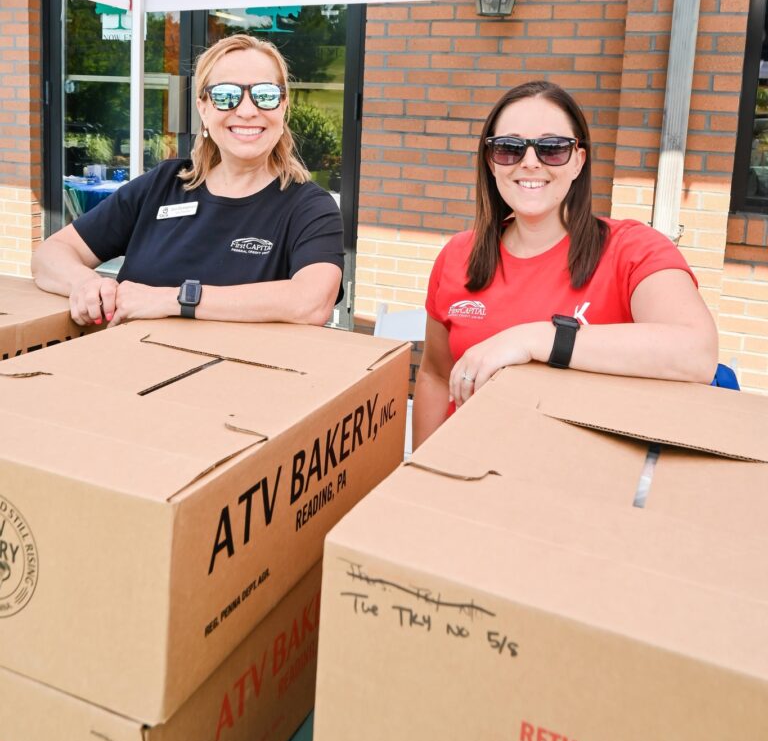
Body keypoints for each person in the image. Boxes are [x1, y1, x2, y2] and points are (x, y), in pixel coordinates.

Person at [412, 80, 719, 448]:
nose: (529, 162)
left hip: (574, 482)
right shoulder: (458, 254)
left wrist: (534, 338)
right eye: (509, 148)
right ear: (490, 162)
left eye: (552, 149)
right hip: (463, 469)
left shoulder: (632, 249)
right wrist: (419, 468)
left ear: (578, 161)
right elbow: (434, 374)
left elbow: (697, 353)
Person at [32, 34, 344, 328]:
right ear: (203, 108)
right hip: (126, 371)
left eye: (265, 95)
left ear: (283, 107)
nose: (247, 110)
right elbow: (50, 254)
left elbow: (312, 302)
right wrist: (86, 285)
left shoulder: (310, 208)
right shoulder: (163, 185)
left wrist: (173, 299)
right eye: (226, 96)